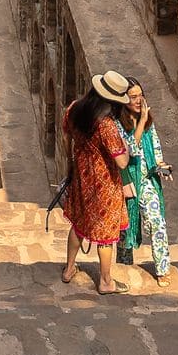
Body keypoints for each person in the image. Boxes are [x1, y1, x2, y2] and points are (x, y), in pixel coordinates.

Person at [60, 70, 132, 294]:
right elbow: (121, 162)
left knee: (79, 224)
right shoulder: (106, 125)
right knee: (105, 235)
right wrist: (127, 148)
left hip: (82, 177)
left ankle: (69, 268)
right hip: (104, 184)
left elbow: (66, 138)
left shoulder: (74, 109)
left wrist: (73, 165)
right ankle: (106, 281)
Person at [118, 79, 172, 285]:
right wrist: (141, 122)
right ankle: (123, 268)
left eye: (140, 95)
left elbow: (155, 148)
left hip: (147, 180)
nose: (138, 100)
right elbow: (129, 150)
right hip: (128, 181)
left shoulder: (148, 122)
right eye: (133, 97)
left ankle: (163, 268)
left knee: (157, 222)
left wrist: (162, 166)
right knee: (125, 229)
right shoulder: (118, 124)